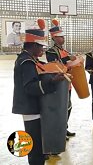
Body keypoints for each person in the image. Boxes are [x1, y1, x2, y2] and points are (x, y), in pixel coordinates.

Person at [12, 19, 65, 165]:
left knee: (39, 147)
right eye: (41, 46)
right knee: (35, 148)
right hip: (31, 109)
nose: (43, 50)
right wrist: (52, 81)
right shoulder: (26, 62)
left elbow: (42, 66)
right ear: (34, 45)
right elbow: (30, 87)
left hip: (33, 108)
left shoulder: (29, 58)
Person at [46, 19, 76, 139]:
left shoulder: (64, 50)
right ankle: (59, 131)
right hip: (58, 82)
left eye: (63, 36)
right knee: (60, 108)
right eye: (60, 36)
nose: (63, 38)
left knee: (68, 106)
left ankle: (64, 128)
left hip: (67, 82)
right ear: (54, 38)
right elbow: (56, 65)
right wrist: (69, 59)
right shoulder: (51, 51)